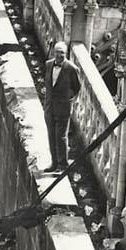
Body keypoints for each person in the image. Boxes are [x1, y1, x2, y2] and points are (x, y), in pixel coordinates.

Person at [45, 41, 81, 170]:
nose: (59, 55)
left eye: (62, 53)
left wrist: (66, 99)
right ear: (54, 52)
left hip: (63, 108)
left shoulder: (71, 69)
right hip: (49, 107)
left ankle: (63, 165)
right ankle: (54, 163)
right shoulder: (48, 65)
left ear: (66, 54)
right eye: (57, 52)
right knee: (51, 135)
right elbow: (48, 85)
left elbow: (76, 88)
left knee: (61, 137)